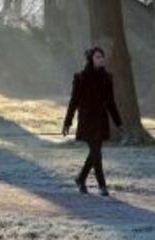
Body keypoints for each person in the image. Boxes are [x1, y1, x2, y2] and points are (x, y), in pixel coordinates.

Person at [61, 46, 122, 196]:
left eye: (102, 57)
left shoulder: (107, 78)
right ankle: (102, 186)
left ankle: (81, 179)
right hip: (87, 121)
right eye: (97, 57)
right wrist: (67, 122)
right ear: (91, 59)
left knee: (95, 153)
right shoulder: (81, 78)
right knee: (96, 153)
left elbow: (111, 102)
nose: (101, 59)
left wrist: (118, 123)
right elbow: (73, 102)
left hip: (101, 121)